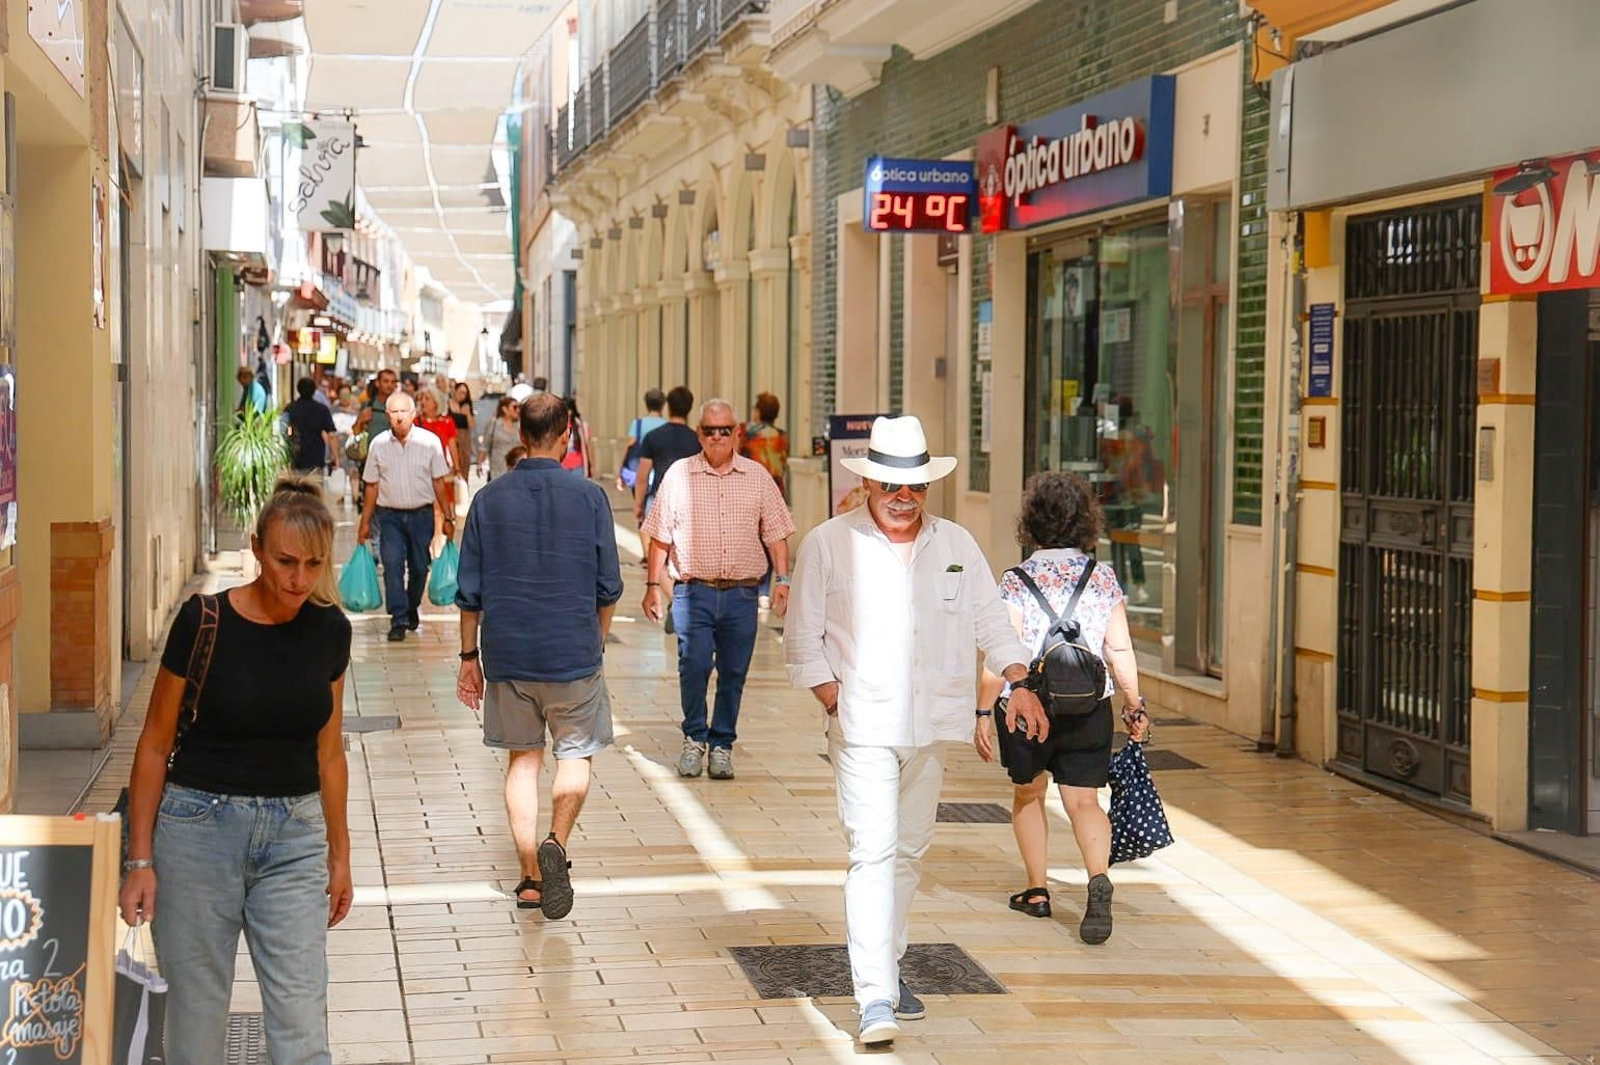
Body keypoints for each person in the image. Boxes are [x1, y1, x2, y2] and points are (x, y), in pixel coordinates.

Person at [784, 415, 1047, 1048]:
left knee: (907, 854)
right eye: (891, 487)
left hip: (932, 725)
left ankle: (888, 964)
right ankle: (873, 994)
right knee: (871, 852)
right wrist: (831, 697)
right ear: (868, 482)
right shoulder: (828, 542)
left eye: (917, 488)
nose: (905, 498)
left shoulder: (956, 544)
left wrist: (1020, 678)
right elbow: (803, 633)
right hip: (863, 725)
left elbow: (992, 620)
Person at [118, 475, 354, 1065]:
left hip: (295, 838)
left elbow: (330, 751)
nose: (299, 578)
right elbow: (152, 745)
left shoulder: (330, 630)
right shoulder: (202, 622)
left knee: (302, 1021)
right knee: (197, 1025)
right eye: (285, 561)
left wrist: (340, 853)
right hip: (197, 832)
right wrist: (140, 860)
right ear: (256, 549)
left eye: (313, 564)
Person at [455, 393, 623, 920]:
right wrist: (595, 640)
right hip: (572, 649)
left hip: (508, 651)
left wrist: (467, 657)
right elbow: (609, 585)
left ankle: (529, 875)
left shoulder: (488, 500)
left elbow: (470, 591)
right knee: (574, 755)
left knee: (522, 760)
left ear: (520, 433)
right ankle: (557, 842)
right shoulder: (590, 497)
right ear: (567, 431)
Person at [975, 472, 1150, 942]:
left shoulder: (1016, 580)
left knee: (1029, 795)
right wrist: (1135, 705)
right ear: (1085, 522)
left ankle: (1037, 892)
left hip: (1027, 706)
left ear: (1030, 523)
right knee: (1084, 801)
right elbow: (1120, 650)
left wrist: (981, 712)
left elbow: (1001, 650)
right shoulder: (1103, 577)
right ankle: (1098, 878)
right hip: (1090, 706)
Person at [641, 399, 795, 781]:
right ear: (699, 433)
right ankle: (695, 737)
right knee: (692, 666)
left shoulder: (758, 477)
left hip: (743, 594)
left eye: (724, 430)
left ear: (737, 432)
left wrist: (784, 581)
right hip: (694, 592)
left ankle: (722, 744)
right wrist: (651, 586)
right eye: (709, 430)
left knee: (733, 671)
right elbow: (659, 536)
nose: (717, 437)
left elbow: (776, 533)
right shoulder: (679, 475)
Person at [358, 392, 453, 642]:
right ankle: (398, 618)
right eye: (394, 412)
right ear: (387, 415)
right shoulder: (378, 444)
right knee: (392, 565)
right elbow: (371, 485)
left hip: (421, 515)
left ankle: (411, 606)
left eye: (404, 412)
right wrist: (365, 522)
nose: (399, 417)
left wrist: (449, 517)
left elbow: (439, 482)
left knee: (420, 566)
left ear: (413, 414)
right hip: (389, 516)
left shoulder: (430, 442)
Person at [632, 386, 700, 525]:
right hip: (688, 502)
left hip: (659, 499)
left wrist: (639, 504)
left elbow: (642, 476)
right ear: (690, 408)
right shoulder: (698, 440)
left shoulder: (653, 437)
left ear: (668, 407)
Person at [285, 377, 339, 480]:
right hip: (316, 456)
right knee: (315, 489)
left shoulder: (291, 408)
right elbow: (331, 435)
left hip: (296, 457)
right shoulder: (322, 410)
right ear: (314, 391)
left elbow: (285, 431)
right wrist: (335, 457)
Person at [416, 390, 460, 514]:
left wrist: (457, 468)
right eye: (421, 399)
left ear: (436, 403)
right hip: (421, 470)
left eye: (427, 398)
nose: (423, 402)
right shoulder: (416, 422)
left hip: (442, 469)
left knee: (445, 504)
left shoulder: (447, 422)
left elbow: (452, 446)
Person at [617, 388, 668, 492]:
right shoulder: (666, 425)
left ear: (647, 404)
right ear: (663, 405)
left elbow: (629, 447)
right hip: (660, 469)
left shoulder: (637, 424)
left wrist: (620, 472)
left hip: (639, 470)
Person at [741, 391, 789, 494]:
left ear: (758, 412)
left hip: (752, 488)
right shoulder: (782, 437)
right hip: (775, 490)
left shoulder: (746, 431)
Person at [481, 395, 522, 482]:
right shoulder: (494, 424)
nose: (518, 410)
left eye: (519, 407)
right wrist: (479, 464)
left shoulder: (520, 426)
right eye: (514, 407)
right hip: (498, 469)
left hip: (516, 468)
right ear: (505, 409)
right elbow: (485, 445)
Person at [449, 381, 477, 481]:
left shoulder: (466, 406)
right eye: (460, 392)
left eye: (465, 393)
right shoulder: (448, 404)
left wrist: (467, 413)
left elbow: (472, 425)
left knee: (464, 466)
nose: (462, 395)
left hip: (464, 439)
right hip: (452, 438)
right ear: (455, 391)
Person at [560, 395, 593, 478]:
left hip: (578, 466)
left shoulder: (580, 425)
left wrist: (591, 465)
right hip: (562, 465)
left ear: (570, 411)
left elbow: (587, 446)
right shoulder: (557, 425)